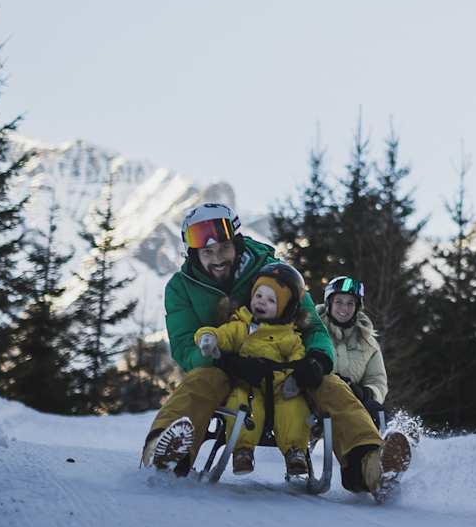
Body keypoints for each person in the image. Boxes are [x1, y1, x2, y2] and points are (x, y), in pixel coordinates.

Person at [140, 203, 408, 501]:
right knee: (200, 382)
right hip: (224, 368)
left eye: (223, 249)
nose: (217, 259)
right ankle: (162, 453)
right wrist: (225, 360)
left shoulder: (274, 272)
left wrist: (317, 360)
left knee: (333, 387)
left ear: (237, 243)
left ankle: (372, 466)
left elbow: (314, 328)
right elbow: (183, 346)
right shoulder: (181, 287)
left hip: (286, 368)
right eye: (207, 253)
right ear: (194, 254)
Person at [194, 263, 311, 476]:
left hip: (279, 387)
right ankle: (242, 450)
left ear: (285, 308)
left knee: (294, 406)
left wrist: (296, 377)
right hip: (248, 383)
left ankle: (296, 451)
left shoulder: (288, 335)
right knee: (241, 402)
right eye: (258, 296)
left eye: (271, 300)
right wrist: (209, 337)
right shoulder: (242, 325)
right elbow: (224, 335)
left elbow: (297, 357)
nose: (261, 303)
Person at [322, 276, 388, 424]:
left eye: (350, 303)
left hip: (353, 404)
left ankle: (397, 440)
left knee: (376, 411)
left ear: (357, 307)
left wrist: (367, 393)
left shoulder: (368, 343)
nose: (344, 308)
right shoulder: (313, 332)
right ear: (329, 303)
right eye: (339, 302)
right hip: (317, 400)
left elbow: (377, 380)